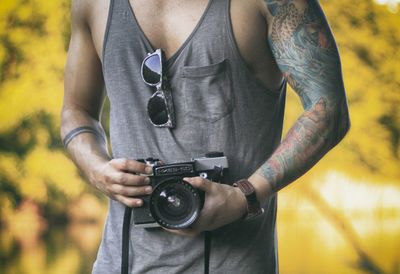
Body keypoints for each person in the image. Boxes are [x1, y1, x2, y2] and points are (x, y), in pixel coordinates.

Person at [61, 0, 350, 273]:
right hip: (118, 264)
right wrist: (97, 168)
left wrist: (244, 195)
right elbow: (76, 111)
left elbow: (329, 110)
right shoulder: (93, 4)